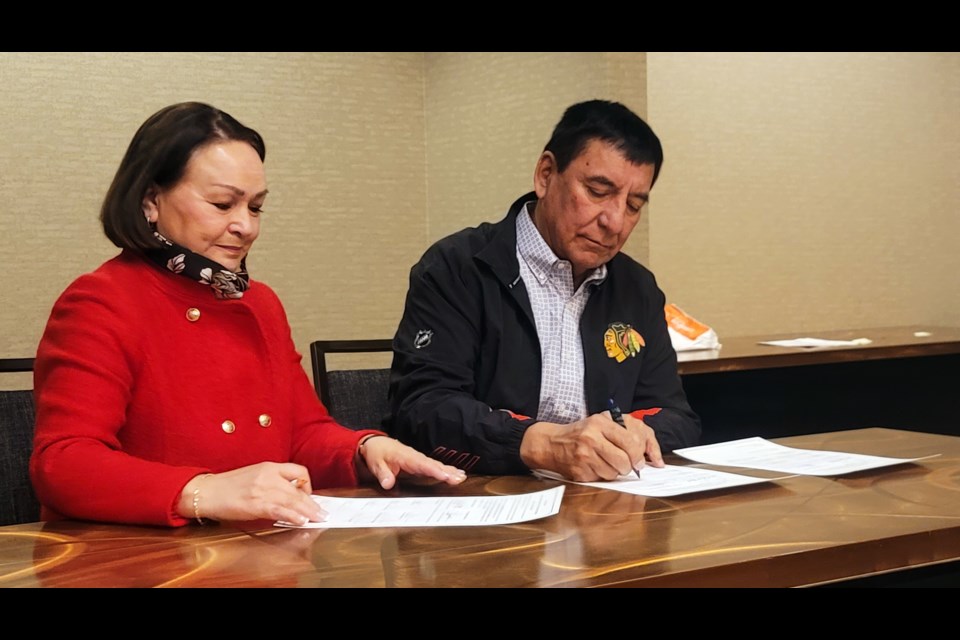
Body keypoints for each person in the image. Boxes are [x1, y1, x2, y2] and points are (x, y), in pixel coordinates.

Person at [29, 102, 466, 528]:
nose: (247, 226)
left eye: (256, 207)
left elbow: (303, 433)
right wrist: (201, 491)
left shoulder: (260, 303)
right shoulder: (100, 301)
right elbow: (63, 464)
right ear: (150, 201)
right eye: (223, 205)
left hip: (256, 551)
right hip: (143, 560)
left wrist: (366, 450)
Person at [387, 99, 701, 482]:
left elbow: (676, 416)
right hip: (484, 503)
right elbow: (423, 409)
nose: (615, 222)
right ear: (546, 174)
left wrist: (630, 434)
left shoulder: (636, 288)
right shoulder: (458, 267)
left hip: (605, 506)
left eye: (633, 205)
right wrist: (544, 444)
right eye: (598, 192)